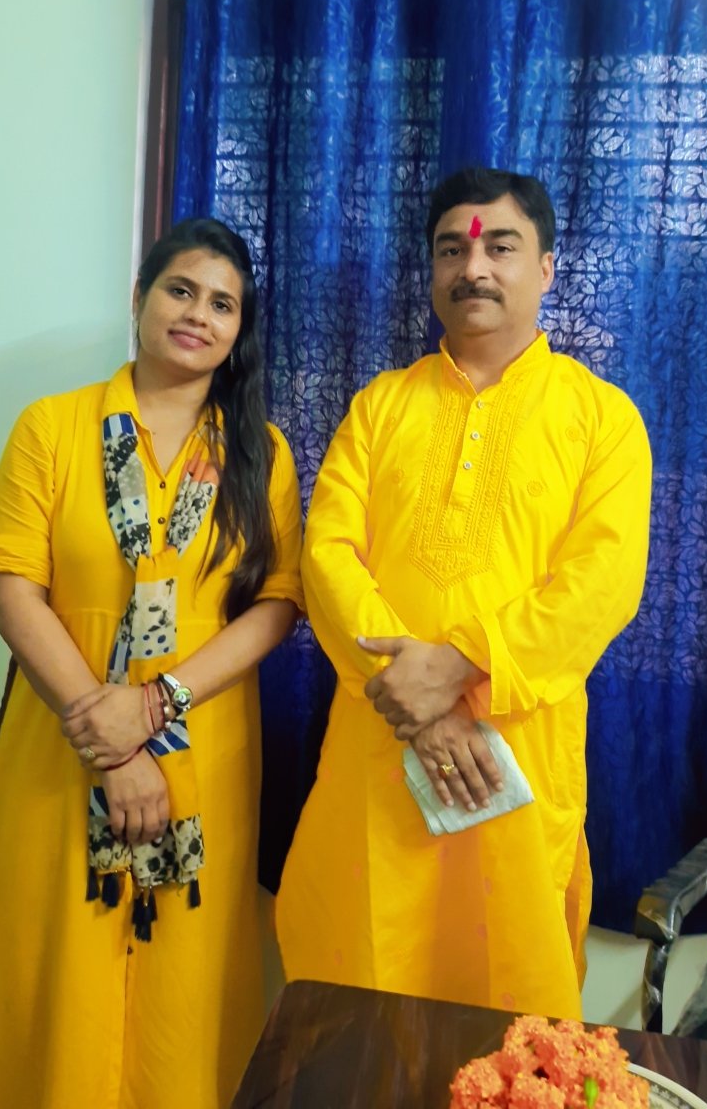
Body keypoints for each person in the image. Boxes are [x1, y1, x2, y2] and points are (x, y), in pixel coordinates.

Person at [276, 166, 651, 1018]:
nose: (473, 268)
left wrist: (458, 665)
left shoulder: (603, 419)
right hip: (379, 756)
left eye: (500, 248)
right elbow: (326, 556)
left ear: (547, 267)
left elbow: (601, 584)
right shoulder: (380, 407)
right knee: (362, 1001)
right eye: (452, 250)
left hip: (514, 765)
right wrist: (420, 705)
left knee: (508, 1001)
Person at [0, 219, 303, 1108]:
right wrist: (113, 743)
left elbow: (279, 603)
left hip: (204, 748)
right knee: (54, 975)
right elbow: (14, 587)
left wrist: (156, 705)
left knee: (185, 989)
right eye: (181, 290)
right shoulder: (51, 428)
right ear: (139, 299)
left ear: (239, 330)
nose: (199, 315)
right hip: (62, 750)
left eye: (223, 304)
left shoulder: (260, 453)